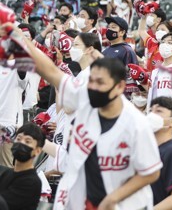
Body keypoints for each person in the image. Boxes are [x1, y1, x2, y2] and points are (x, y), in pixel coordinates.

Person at [15, 28, 162, 210]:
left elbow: (151, 173)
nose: (93, 86)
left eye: (100, 83)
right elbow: (50, 71)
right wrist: (18, 37)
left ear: (119, 87)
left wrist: (113, 199)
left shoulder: (136, 124)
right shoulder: (85, 98)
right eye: (91, 81)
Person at [0, 123, 44, 210]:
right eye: (18, 139)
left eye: (27, 141)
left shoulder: (32, 182)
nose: (21, 143)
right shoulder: (7, 173)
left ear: (37, 151)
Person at [147, 33, 172, 108]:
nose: (164, 45)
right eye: (163, 42)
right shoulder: (155, 71)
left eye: (170, 43)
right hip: (153, 113)